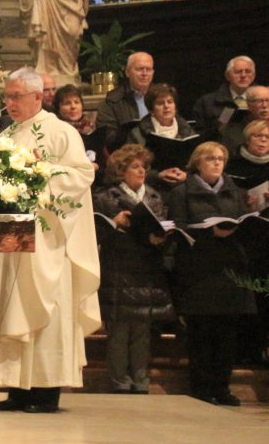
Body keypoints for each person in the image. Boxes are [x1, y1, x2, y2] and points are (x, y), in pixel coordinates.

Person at [0, 67, 102, 413]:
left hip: (49, 238)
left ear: (38, 97)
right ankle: (18, 389)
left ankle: (45, 392)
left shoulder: (61, 132)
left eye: (17, 97)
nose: (10, 103)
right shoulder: (6, 134)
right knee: (15, 308)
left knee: (48, 310)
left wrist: (40, 176)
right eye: (7, 97)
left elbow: (81, 175)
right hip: (14, 241)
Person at [165, 141, 256, 406]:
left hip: (230, 270)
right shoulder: (182, 192)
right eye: (210, 158)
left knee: (227, 334)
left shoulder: (236, 193)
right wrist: (209, 233)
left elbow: (246, 225)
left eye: (220, 159)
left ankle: (222, 387)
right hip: (199, 271)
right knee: (201, 333)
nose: (217, 163)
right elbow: (178, 228)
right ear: (198, 163)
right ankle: (202, 387)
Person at [93, 145, 176, 394]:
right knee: (119, 331)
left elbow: (163, 227)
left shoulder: (154, 196)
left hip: (147, 269)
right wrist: (114, 223)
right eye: (135, 166)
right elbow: (95, 233)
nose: (141, 171)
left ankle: (141, 381)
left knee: (142, 331)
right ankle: (120, 380)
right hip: (118, 269)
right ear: (122, 170)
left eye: (144, 167)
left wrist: (160, 239)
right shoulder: (106, 197)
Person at [225, 119, 269, 365]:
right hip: (242, 240)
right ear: (247, 139)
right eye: (258, 136)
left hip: (266, 241)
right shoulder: (233, 166)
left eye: (267, 137)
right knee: (244, 297)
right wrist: (243, 204)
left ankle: (261, 350)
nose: (263, 141)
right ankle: (243, 350)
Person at [126, 83, 196, 189]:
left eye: (170, 102)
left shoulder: (189, 131)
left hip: (184, 185)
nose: (166, 106)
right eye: (160, 103)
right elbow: (130, 168)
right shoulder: (137, 134)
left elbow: (197, 165)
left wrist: (187, 175)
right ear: (151, 110)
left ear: (175, 107)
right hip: (151, 186)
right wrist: (157, 176)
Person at [96, 51, 155, 144]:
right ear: (127, 72)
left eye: (148, 69)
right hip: (128, 151)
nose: (144, 73)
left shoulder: (161, 97)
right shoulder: (112, 101)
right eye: (140, 69)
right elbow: (107, 137)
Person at [192, 56, 257, 140]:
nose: (243, 75)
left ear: (254, 75)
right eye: (238, 72)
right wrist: (222, 123)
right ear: (227, 76)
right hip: (220, 146)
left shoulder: (265, 98)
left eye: (248, 71)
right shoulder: (207, 102)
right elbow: (198, 135)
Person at [53, 84, 101, 171]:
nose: (73, 107)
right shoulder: (55, 130)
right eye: (67, 103)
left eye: (76, 102)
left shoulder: (93, 126)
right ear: (58, 108)